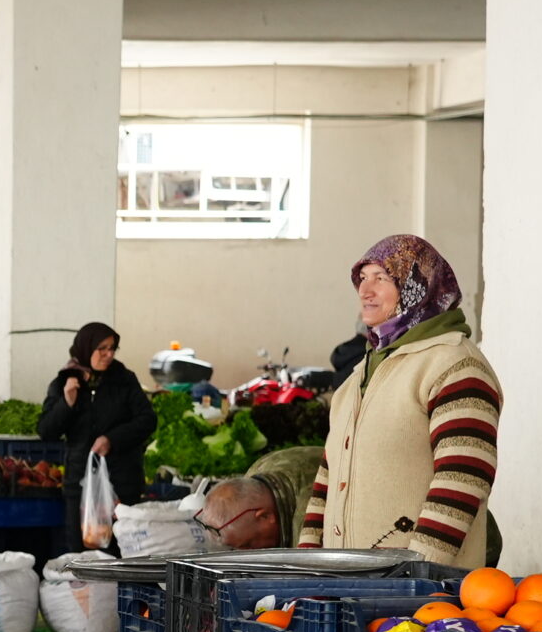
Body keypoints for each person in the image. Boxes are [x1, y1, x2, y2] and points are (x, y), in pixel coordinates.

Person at [300, 235, 501, 565]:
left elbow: (463, 477)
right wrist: (308, 564)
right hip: (348, 585)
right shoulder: (359, 376)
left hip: (420, 597)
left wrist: (419, 570)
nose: (366, 291)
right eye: (362, 279)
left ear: (417, 286)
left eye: (381, 278)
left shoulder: (454, 365)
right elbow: (327, 476)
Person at [37, 323, 156, 554]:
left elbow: (147, 420)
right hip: (80, 485)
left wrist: (112, 439)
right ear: (86, 347)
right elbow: (46, 431)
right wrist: (67, 403)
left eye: (112, 348)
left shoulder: (124, 379)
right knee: (82, 554)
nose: (109, 354)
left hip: (121, 484)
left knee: (119, 553)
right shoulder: (65, 382)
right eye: (102, 348)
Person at [195, 444, 329, 550]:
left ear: (265, 516)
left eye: (248, 544)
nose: (246, 555)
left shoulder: (310, 529)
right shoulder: (259, 469)